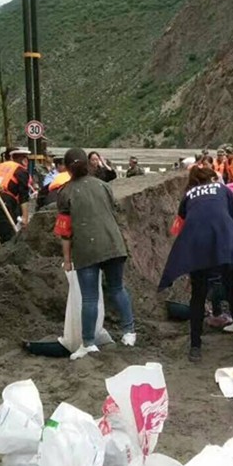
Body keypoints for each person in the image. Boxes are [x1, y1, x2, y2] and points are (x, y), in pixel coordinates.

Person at [159, 165, 233, 363]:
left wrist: (187, 261)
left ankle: (195, 348)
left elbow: (179, 229)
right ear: (212, 178)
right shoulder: (223, 189)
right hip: (224, 243)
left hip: (197, 245)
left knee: (198, 295)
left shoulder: (188, 196)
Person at [55, 148, 137, 359]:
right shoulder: (103, 186)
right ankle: (129, 332)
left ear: (67, 168)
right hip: (113, 243)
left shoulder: (65, 193)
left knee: (90, 298)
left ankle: (89, 343)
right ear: (88, 164)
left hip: (87, 248)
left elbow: (65, 232)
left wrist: (67, 260)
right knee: (118, 288)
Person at [0, 148, 31, 243]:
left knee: (5, 233)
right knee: (11, 236)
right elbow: (23, 196)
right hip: (6, 203)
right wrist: (25, 217)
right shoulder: (21, 171)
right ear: (23, 160)